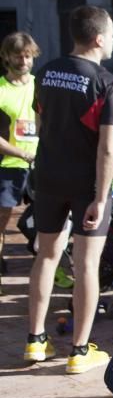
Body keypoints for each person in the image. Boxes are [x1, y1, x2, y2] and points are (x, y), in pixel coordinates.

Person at [28, 6, 113, 373]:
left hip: (49, 178)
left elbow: (41, 123)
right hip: (86, 185)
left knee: (46, 257)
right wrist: (101, 198)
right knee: (86, 264)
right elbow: (108, 148)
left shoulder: (46, 72)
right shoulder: (107, 83)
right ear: (99, 38)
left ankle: (35, 341)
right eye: (112, 34)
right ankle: (79, 351)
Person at [0, 31, 40, 288]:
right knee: (1, 224)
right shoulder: (1, 90)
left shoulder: (41, 85)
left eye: (27, 56)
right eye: (18, 56)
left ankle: (46, 267)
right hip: (8, 167)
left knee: (47, 223)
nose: (23, 61)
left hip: (40, 167)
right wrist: (23, 154)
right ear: (5, 56)